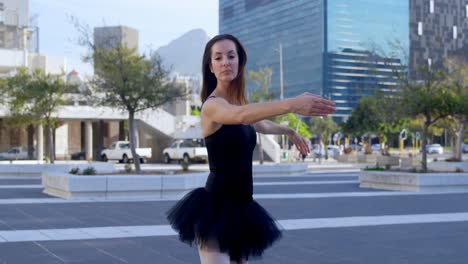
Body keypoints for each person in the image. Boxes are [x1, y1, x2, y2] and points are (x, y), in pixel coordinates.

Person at [166, 34, 335, 264]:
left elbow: (259, 123)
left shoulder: (240, 104)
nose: (225, 61)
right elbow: (240, 116)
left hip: (242, 209)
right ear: (211, 66)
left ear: (239, 62)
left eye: (231, 56)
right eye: (218, 57)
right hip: (214, 208)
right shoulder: (212, 106)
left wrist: (289, 132)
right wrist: (292, 104)